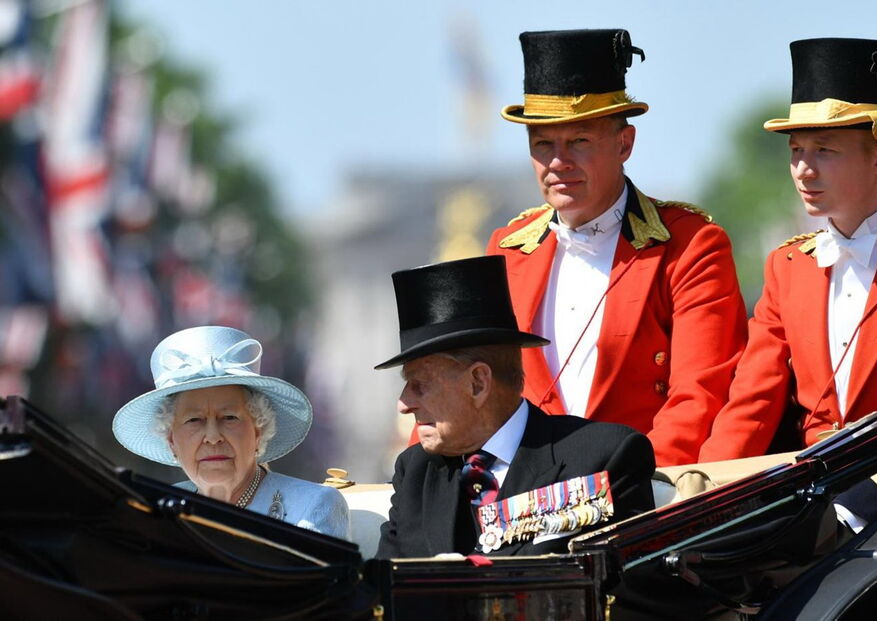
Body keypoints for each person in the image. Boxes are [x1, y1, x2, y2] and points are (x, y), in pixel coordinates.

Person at [700, 27, 877, 529]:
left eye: (824, 150)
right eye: (795, 151)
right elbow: (749, 407)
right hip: (808, 509)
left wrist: (867, 500)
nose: (803, 170)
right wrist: (699, 495)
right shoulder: (788, 267)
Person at [486, 29, 747, 467]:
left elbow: (700, 395)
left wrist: (638, 489)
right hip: (527, 507)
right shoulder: (506, 250)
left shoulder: (691, 245)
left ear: (625, 144)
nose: (557, 163)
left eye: (579, 141)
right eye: (543, 144)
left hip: (643, 498)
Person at [375, 255, 655, 558]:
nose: (404, 404)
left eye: (419, 385)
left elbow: (626, 593)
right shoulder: (416, 472)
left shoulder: (601, 458)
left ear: (478, 383)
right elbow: (385, 593)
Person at [113, 325, 349, 538]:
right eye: (194, 420)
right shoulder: (155, 511)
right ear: (172, 440)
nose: (213, 437)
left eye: (229, 418)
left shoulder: (312, 507)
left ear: (258, 430)